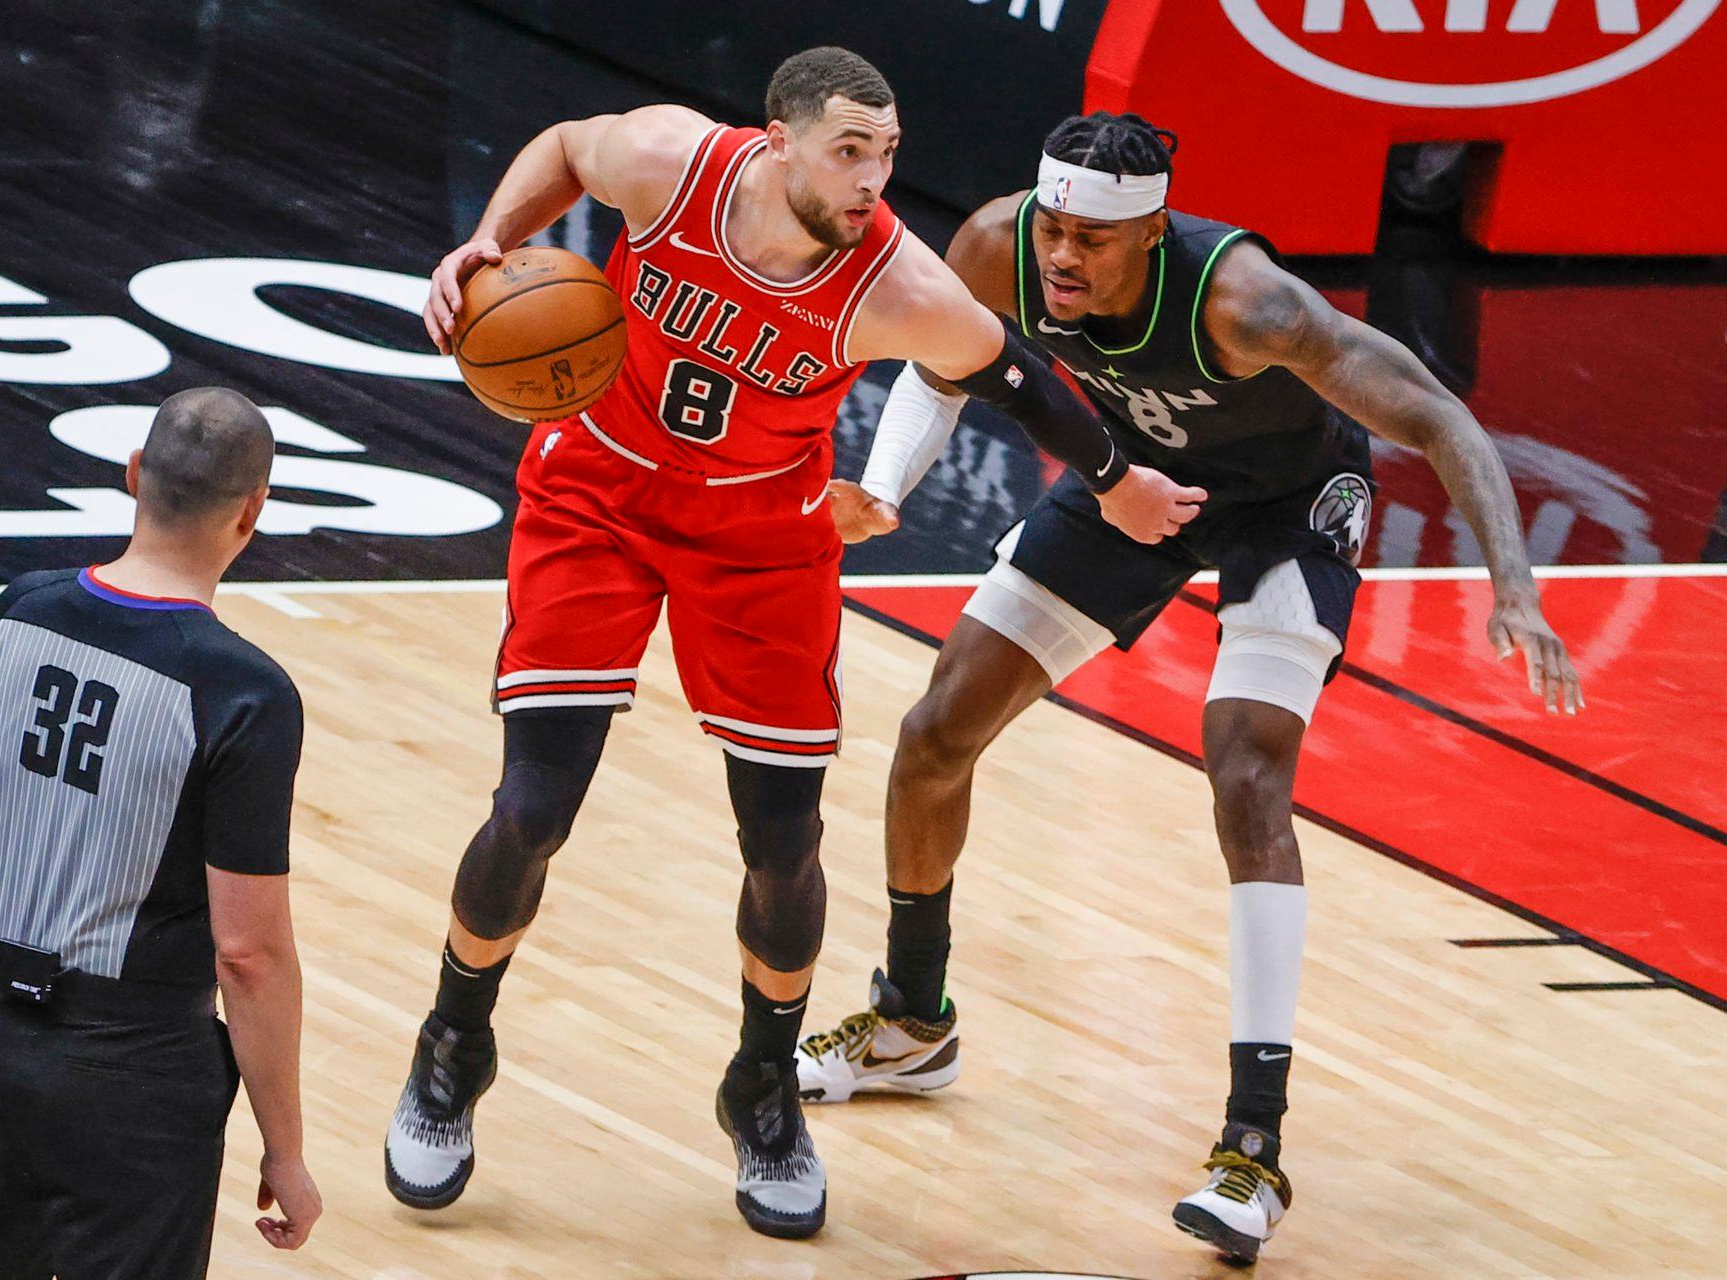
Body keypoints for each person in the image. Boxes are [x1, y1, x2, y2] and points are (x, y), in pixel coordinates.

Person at [386, 50, 1202, 1239]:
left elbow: (1016, 373)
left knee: (783, 837)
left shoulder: (896, 283)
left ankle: (762, 1084)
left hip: (762, 529)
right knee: (533, 806)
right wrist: (488, 241)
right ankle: (454, 1040)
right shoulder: (673, 164)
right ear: (777, 139)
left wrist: (1120, 479)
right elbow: (567, 141)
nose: (875, 179)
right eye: (849, 151)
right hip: (598, 495)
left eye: (888, 154)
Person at [798, 112, 1585, 1264]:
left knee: (1247, 774)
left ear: (1154, 233)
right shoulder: (995, 244)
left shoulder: (1248, 303)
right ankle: (915, 1020)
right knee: (934, 730)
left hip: (1288, 504)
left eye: (1091, 241)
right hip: (1133, 486)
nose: (1060, 257)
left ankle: (1251, 1148)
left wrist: (1514, 586)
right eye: (1053, 228)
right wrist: (879, 486)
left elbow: (1440, 415)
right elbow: (941, 370)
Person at [0, 388, 321, 1279]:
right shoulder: (243, 693)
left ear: (133, 476)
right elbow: (248, 953)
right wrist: (284, 1150)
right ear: (254, 512)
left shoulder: (15, 613)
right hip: (137, 1075)